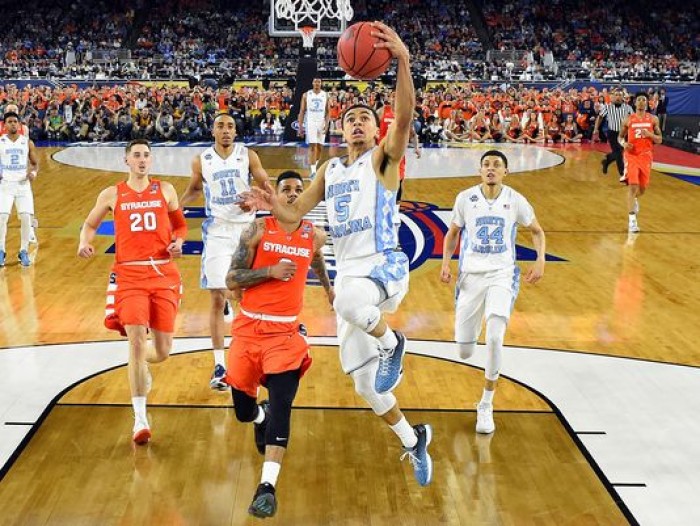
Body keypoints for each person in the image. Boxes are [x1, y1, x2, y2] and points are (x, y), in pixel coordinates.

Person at [242, 22, 433, 487]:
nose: (357, 123)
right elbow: (294, 216)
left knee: (348, 302)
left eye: (365, 118)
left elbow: (404, 118)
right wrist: (272, 204)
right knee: (367, 385)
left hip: (383, 264)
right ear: (339, 127)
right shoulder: (329, 168)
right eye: (351, 119)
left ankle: (394, 345)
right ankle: (414, 440)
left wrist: (403, 61)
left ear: (376, 129)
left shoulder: (383, 159)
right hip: (350, 276)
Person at [225, 170, 334, 518]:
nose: (291, 195)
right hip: (248, 330)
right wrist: (269, 273)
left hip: (286, 336)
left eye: (298, 190)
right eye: (285, 189)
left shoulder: (313, 235)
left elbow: (314, 258)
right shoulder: (257, 229)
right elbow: (232, 278)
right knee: (243, 411)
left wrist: (329, 288)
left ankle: (267, 487)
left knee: (283, 404)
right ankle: (259, 416)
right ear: (276, 195)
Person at [77, 139, 187, 444]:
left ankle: (140, 367)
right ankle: (140, 418)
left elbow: (180, 226)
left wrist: (178, 243)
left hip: (163, 272)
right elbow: (89, 224)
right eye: (136, 155)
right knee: (137, 342)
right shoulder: (112, 193)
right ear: (126, 160)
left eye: (146, 155)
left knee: (162, 351)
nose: (141, 159)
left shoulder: (165, 190)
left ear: (151, 161)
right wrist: (84, 242)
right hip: (129, 275)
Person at [440, 150, 545, 435]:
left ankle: (486, 402)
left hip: (502, 273)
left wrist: (540, 259)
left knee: (496, 336)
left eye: (496, 165)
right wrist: (446, 264)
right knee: (464, 350)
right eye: (486, 164)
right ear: (479, 170)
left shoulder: (515, 199)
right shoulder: (465, 198)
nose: (491, 169)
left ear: (505, 172)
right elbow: (452, 234)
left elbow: (536, 230)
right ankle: (469, 337)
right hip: (471, 277)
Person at [180, 113, 270, 390]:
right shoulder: (201, 160)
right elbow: (194, 190)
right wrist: (174, 210)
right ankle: (220, 365)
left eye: (230, 126)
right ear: (213, 130)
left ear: (235, 131)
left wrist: (258, 200)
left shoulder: (248, 156)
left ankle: (254, 352)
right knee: (218, 296)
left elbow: (265, 187)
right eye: (220, 125)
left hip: (246, 232)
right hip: (218, 230)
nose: (226, 130)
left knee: (244, 294)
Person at [618, 94, 662, 233]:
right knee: (633, 186)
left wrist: (650, 135)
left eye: (644, 100)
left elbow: (659, 139)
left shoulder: (653, 119)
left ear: (647, 103)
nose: (641, 102)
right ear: (634, 103)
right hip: (631, 156)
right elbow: (619, 137)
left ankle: (635, 200)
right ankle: (632, 221)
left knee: (642, 189)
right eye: (639, 100)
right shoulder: (628, 120)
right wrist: (624, 143)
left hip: (646, 156)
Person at [0, 112, 39, 267]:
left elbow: (35, 163)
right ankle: (1, 250)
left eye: (15, 121)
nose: (13, 124)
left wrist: (34, 173)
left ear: (20, 124)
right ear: (4, 125)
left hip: (23, 185)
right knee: (2, 217)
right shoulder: (1, 142)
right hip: (5, 185)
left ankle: (23, 250)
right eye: (10, 122)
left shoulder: (27, 142)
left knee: (25, 218)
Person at [377, 90, 421, 203]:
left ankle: (396, 208)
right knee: (379, 179)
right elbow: (372, 123)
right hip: (383, 152)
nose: (395, 99)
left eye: (398, 97)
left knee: (399, 179)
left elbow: (413, 133)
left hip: (398, 152)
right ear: (389, 98)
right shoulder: (383, 111)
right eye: (393, 96)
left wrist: (416, 147)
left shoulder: (404, 114)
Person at [593, 90, 633, 182]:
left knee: (618, 153)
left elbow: (633, 119)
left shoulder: (628, 108)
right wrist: (596, 129)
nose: (618, 97)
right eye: (616, 95)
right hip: (612, 133)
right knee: (618, 153)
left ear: (623, 97)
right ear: (613, 97)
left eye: (620, 95)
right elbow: (600, 117)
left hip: (624, 134)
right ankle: (623, 174)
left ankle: (606, 161)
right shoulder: (607, 107)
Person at [297, 78, 330, 179]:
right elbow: (302, 111)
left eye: (318, 82)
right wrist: (300, 126)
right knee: (313, 146)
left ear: (321, 83)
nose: (316, 83)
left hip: (321, 122)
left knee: (320, 147)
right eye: (315, 82)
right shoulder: (306, 95)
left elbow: (328, 112)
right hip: (310, 122)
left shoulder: (326, 95)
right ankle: (313, 171)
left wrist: (327, 124)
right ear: (312, 83)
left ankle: (314, 166)